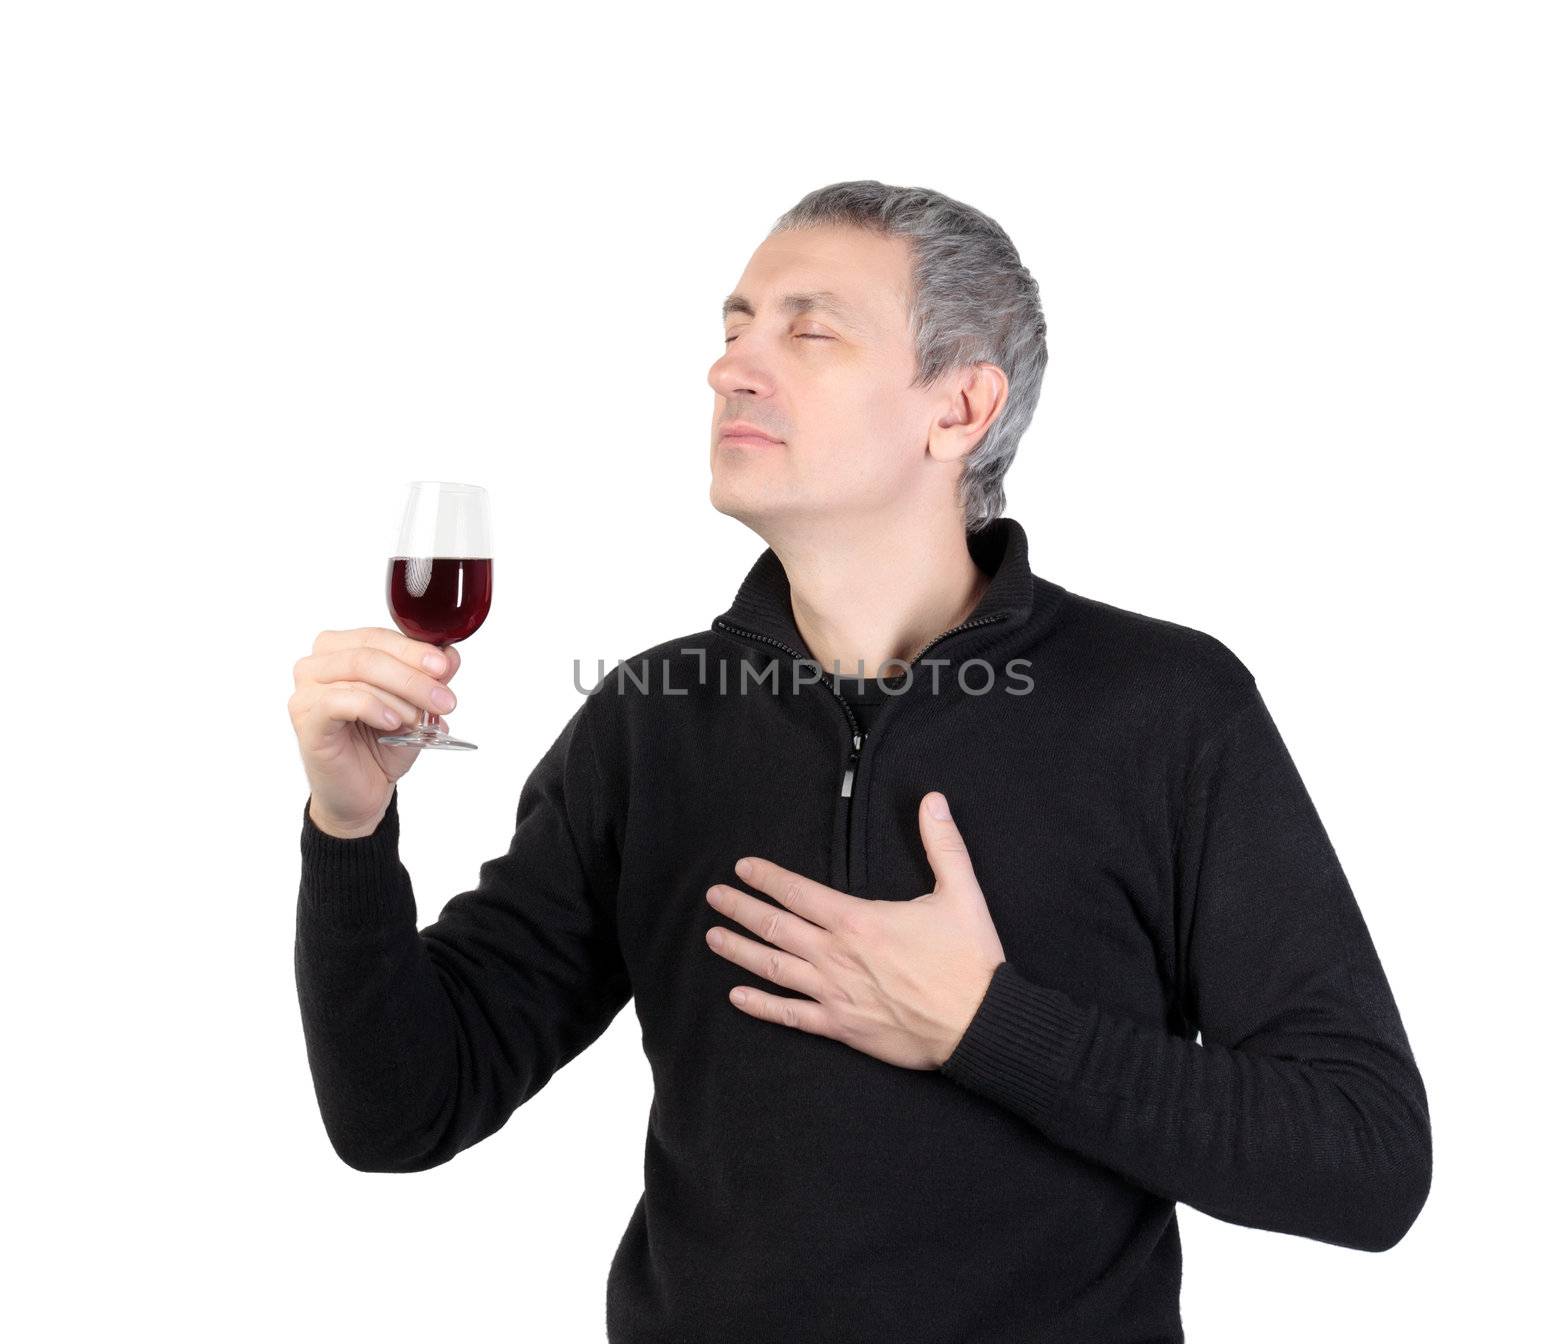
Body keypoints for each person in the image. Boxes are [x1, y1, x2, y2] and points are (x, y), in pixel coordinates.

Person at [288, 180, 1431, 1343]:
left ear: (960, 408)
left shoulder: (1166, 707)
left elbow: (1362, 1158)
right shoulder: (651, 720)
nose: (729, 367)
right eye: (734, 328)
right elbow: (400, 1113)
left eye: (808, 329)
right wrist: (349, 829)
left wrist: (984, 1024)